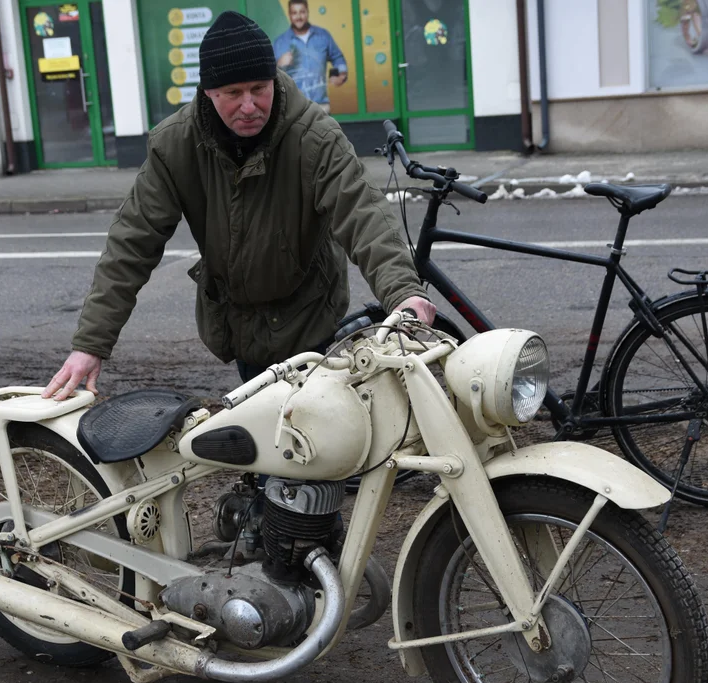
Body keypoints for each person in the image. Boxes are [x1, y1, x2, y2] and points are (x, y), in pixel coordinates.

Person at [43, 11, 434, 402]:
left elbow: (363, 215)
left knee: (324, 438)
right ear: (209, 92)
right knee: (266, 439)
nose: (249, 106)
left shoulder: (314, 136)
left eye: (258, 88)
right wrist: (90, 344)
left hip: (311, 320)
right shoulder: (174, 146)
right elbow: (131, 243)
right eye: (232, 93)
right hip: (240, 325)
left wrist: (402, 293)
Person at [271, 0, 347, 114]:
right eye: (294, 13)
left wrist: (341, 74)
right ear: (290, 15)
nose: (298, 16)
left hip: (321, 106)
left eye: (302, 12)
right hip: (293, 107)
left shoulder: (323, 36)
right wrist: (278, 64)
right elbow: (269, 76)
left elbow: (338, 58)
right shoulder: (279, 43)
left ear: (307, 12)